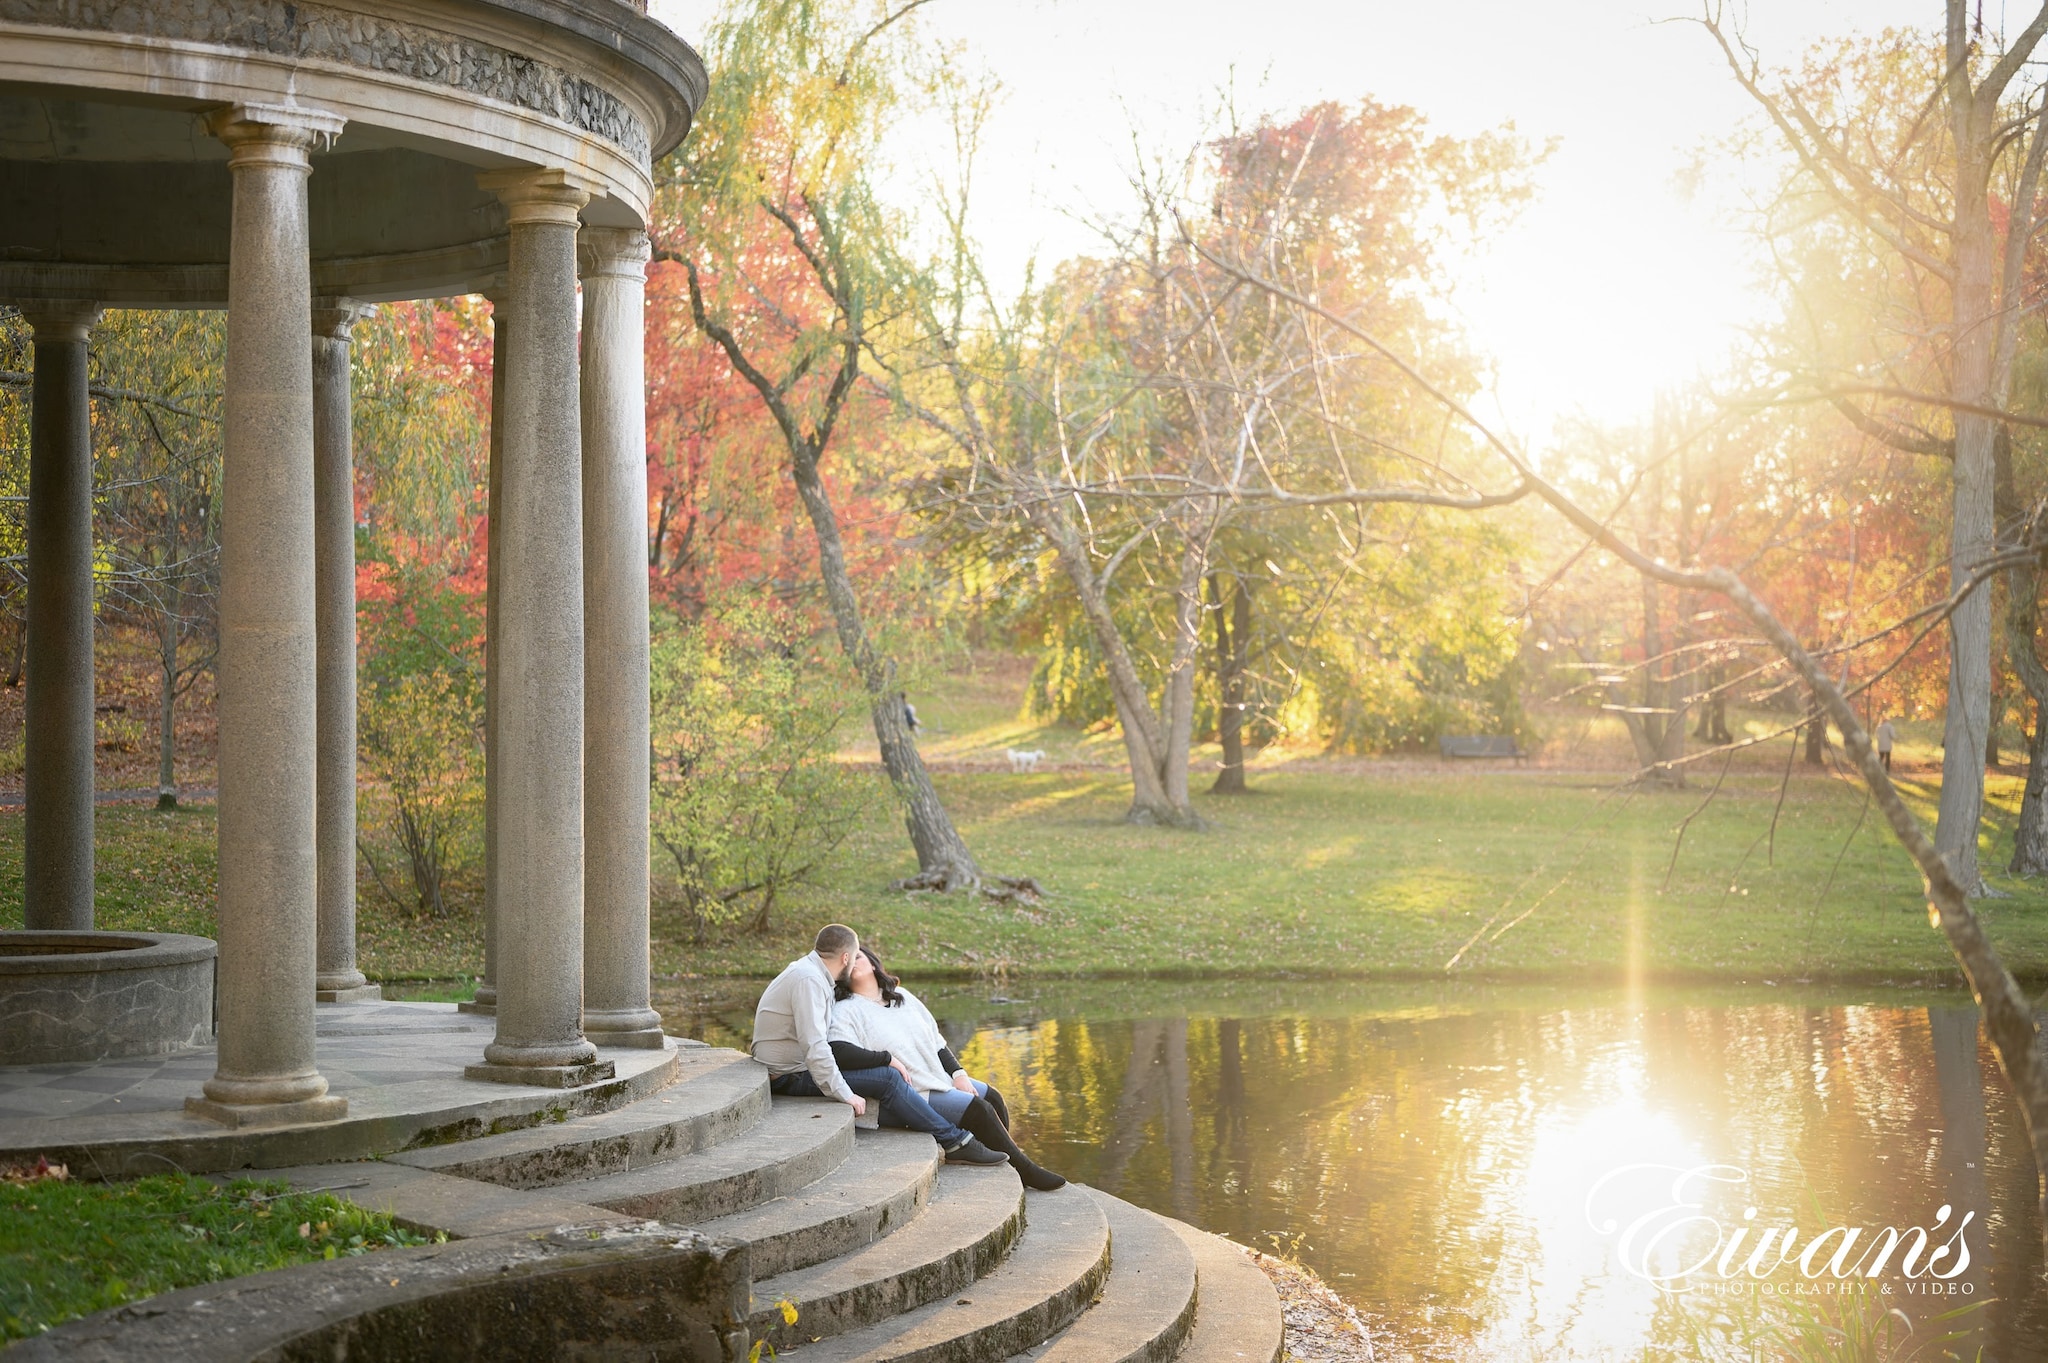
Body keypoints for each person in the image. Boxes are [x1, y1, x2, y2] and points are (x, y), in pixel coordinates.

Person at [752, 924, 1008, 1166]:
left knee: (891, 1078)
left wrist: (957, 1072)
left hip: (795, 1067)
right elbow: (816, 1047)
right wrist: (845, 1094)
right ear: (845, 958)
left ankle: (964, 1142)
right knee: (888, 1079)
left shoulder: (811, 975)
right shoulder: (809, 981)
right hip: (788, 1075)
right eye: (855, 957)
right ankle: (953, 1140)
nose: (855, 963)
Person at [830, 945, 1068, 1192]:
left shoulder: (904, 997)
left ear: (873, 962)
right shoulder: (846, 1009)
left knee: (992, 1097)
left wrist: (958, 1074)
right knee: (979, 1110)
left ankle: (1009, 1161)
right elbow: (839, 1050)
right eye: (845, 962)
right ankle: (1026, 1170)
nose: (852, 963)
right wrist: (885, 1059)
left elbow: (937, 1042)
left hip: (936, 1074)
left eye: (857, 956)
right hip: (913, 1090)